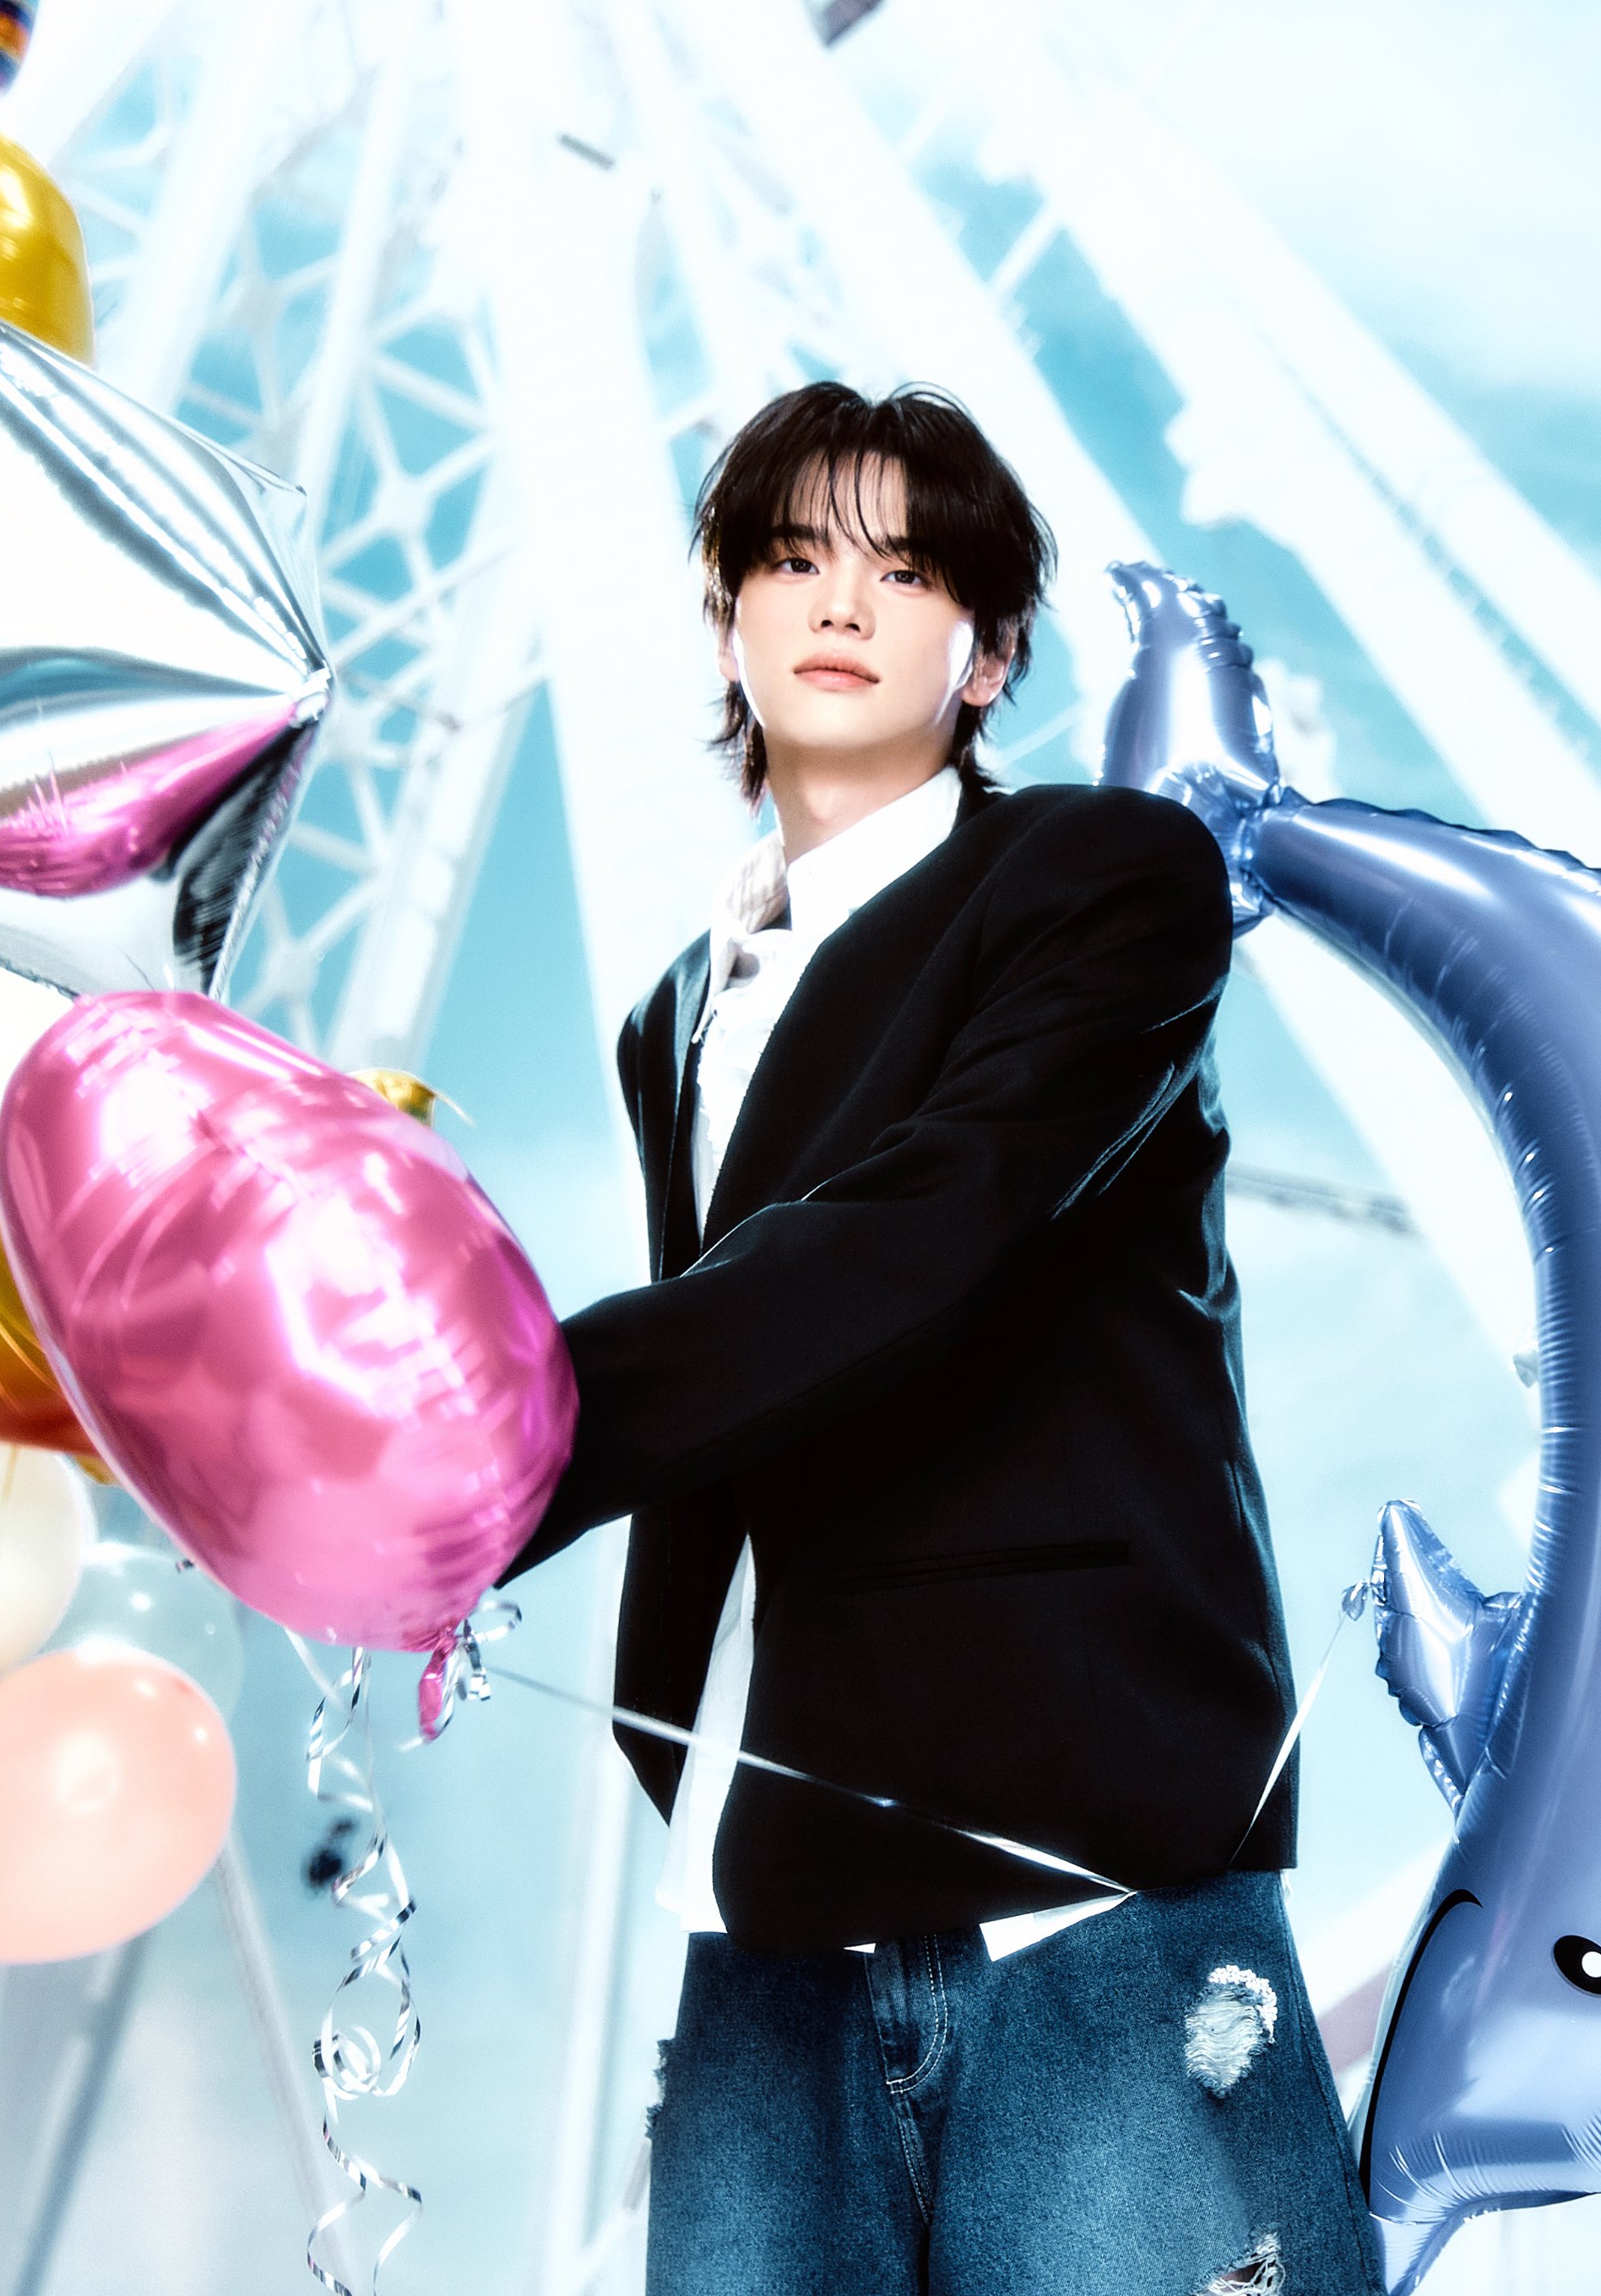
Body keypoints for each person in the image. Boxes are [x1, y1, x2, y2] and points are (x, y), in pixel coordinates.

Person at [504, 383, 1371, 2295]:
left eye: (904, 573)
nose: (841, 601)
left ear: (985, 657)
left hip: (1080, 1866)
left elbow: (921, 1237)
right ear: (726, 617)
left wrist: (495, 1438)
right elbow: (747, 1365)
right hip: (751, 1900)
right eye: (792, 558)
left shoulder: (1104, 881)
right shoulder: (673, 1016)